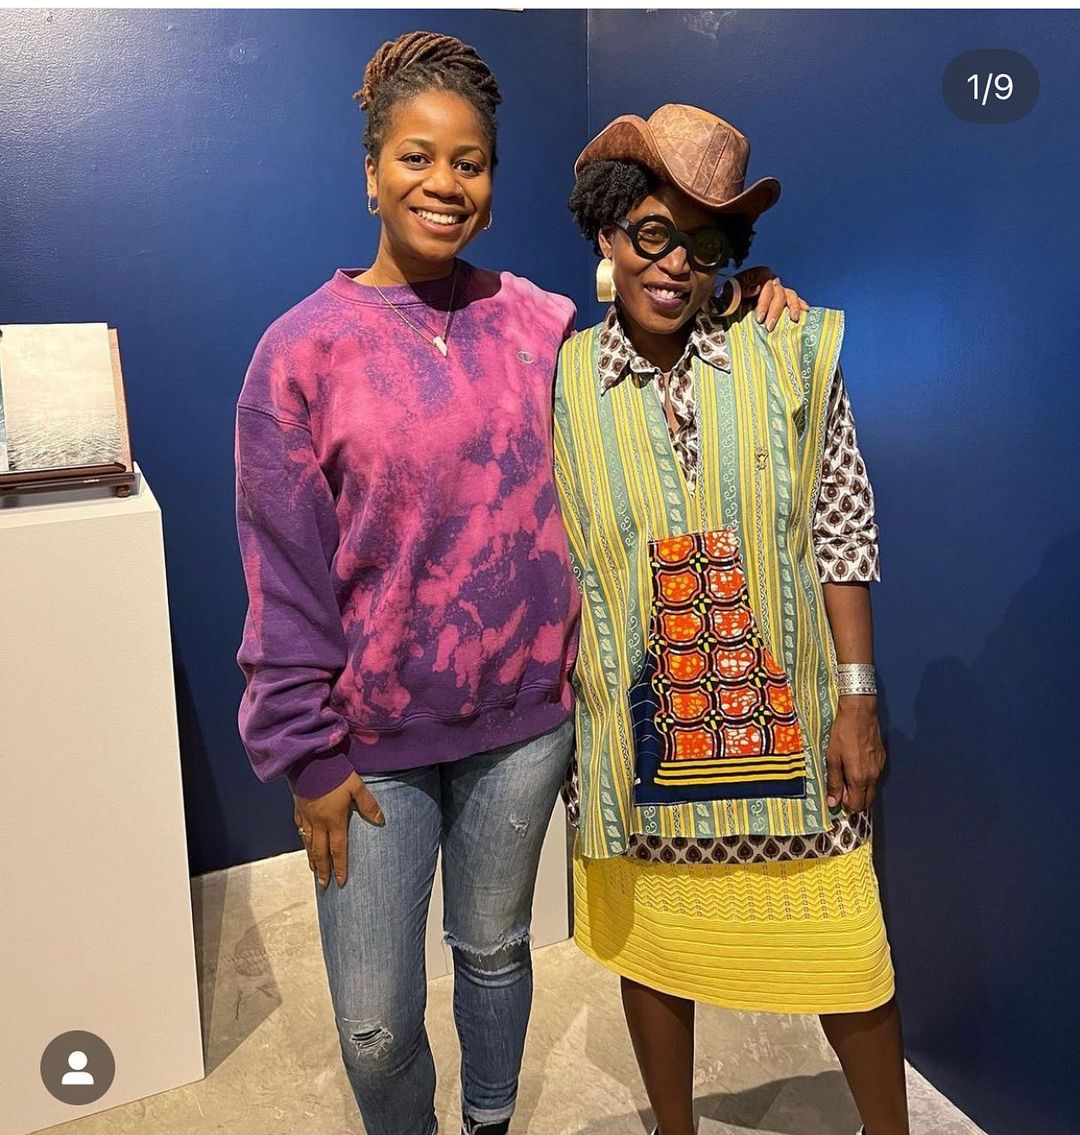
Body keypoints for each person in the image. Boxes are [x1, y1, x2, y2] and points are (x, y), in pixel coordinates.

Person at [235, 32, 802, 1135]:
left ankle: (489, 1123)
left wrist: (751, 292)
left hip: (524, 730)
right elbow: (281, 570)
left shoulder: (541, 323)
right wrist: (305, 751)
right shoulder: (298, 354)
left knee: (494, 949)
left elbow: (656, 330)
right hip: (371, 746)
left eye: (470, 162)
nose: (444, 183)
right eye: (416, 156)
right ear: (370, 171)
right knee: (375, 1023)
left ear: (493, 182)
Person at [553, 104, 908, 1135]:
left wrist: (858, 698)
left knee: (847, 948)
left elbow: (841, 524)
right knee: (659, 950)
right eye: (652, 234)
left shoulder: (786, 346)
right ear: (608, 235)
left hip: (793, 728)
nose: (676, 264)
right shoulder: (561, 378)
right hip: (641, 737)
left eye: (705, 245)